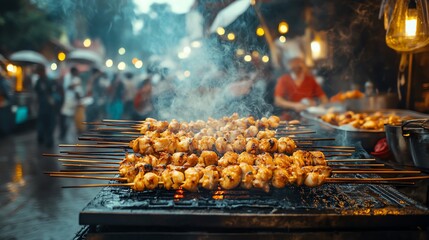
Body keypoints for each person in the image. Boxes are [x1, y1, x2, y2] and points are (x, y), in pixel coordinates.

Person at [34, 66, 61, 147]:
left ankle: (47, 140)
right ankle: (44, 139)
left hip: (48, 107)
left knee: (48, 124)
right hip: (44, 106)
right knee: (45, 124)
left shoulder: (48, 81)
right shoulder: (40, 81)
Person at [59, 67, 82, 141]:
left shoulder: (76, 79)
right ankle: (63, 133)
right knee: (64, 118)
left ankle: (69, 132)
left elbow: (78, 91)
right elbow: (67, 87)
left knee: (71, 118)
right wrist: (74, 85)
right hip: (66, 100)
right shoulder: (67, 77)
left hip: (73, 101)